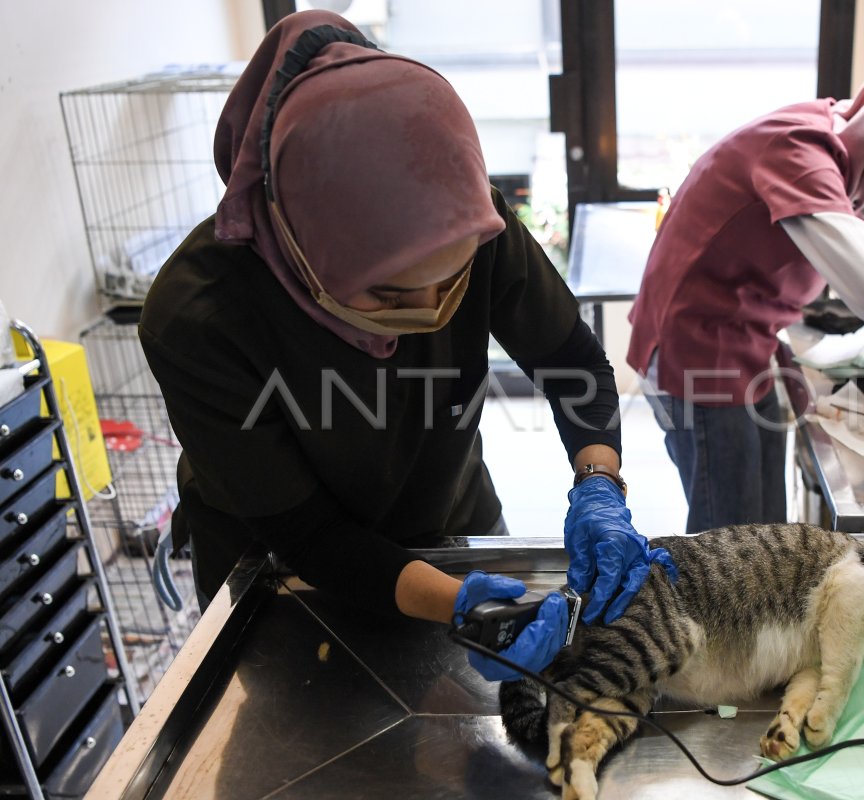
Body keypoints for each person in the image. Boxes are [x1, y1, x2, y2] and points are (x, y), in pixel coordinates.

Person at [138, 10, 675, 682]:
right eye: (390, 295)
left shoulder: (471, 222)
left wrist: (601, 484)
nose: (430, 311)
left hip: (445, 513)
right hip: (285, 566)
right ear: (303, 241)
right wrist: (457, 606)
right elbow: (311, 537)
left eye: (453, 279)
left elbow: (572, 363)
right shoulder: (200, 317)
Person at [626, 52, 864, 534]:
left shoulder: (843, 144)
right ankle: (724, 611)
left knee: (768, 527)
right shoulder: (799, 154)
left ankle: (765, 607)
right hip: (698, 350)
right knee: (729, 538)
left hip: (739, 339)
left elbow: (858, 233)